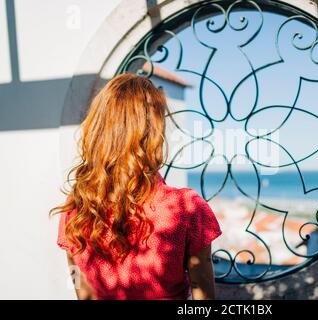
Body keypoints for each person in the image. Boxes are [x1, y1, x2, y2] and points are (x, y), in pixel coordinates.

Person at [50, 73, 222, 300]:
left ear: (98, 130)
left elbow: (81, 289)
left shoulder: (76, 208)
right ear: (153, 133)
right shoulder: (185, 208)